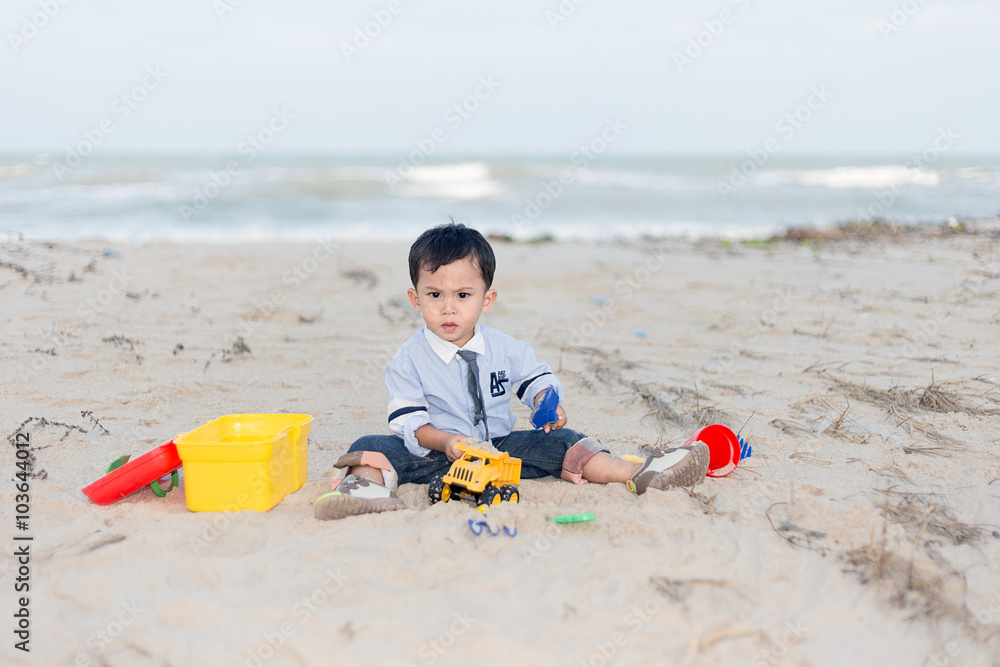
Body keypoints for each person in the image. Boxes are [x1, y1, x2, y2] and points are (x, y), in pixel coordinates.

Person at [315, 222, 709, 520]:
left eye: (463, 296)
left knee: (564, 441)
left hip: (500, 450)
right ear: (415, 299)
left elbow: (534, 379)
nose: (448, 308)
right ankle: (364, 491)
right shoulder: (408, 358)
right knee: (372, 444)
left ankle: (638, 472)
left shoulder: (505, 348)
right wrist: (447, 441)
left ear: (487, 300)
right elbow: (410, 422)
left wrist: (545, 402)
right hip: (435, 456)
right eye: (435, 295)